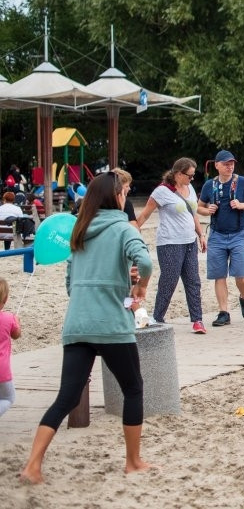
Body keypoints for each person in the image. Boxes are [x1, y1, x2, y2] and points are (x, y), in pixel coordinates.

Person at [20, 172, 154, 484]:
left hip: (77, 323)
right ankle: (133, 461)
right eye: (123, 192)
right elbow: (145, 262)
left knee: (65, 397)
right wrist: (139, 288)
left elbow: (70, 284)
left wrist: (114, 281)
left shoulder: (79, 231)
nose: (125, 196)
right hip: (111, 326)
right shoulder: (122, 227)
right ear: (116, 196)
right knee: (133, 389)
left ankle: (33, 465)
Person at [136, 158, 207, 333]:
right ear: (178, 173)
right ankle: (158, 316)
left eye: (193, 176)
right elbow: (145, 214)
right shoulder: (161, 192)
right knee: (169, 280)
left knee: (193, 281)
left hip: (189, 241)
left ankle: (197, 320)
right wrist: (132, 231)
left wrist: (201, 234)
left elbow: (194, 214)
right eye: (189, 176)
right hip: (169, 242)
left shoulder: (189, 188)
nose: (192, 179)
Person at [198, 150, 244, 327]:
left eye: (232, 163)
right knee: (219, 275)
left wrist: (242, 205)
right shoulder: (209, 185)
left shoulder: (242, 182)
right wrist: (208, 210)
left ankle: (243, 297)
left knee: (241, 275)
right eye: (225, 163)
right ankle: (223, 312)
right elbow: (199, 208)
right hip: (217, 235)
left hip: (239, 233)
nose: (229, 166)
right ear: (217, 165)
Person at [0, 277, 21, 418]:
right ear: (5, 299)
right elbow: (16, 335)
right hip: (2, 370)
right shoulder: (8, 318)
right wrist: (17, 322)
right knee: (8, 398)